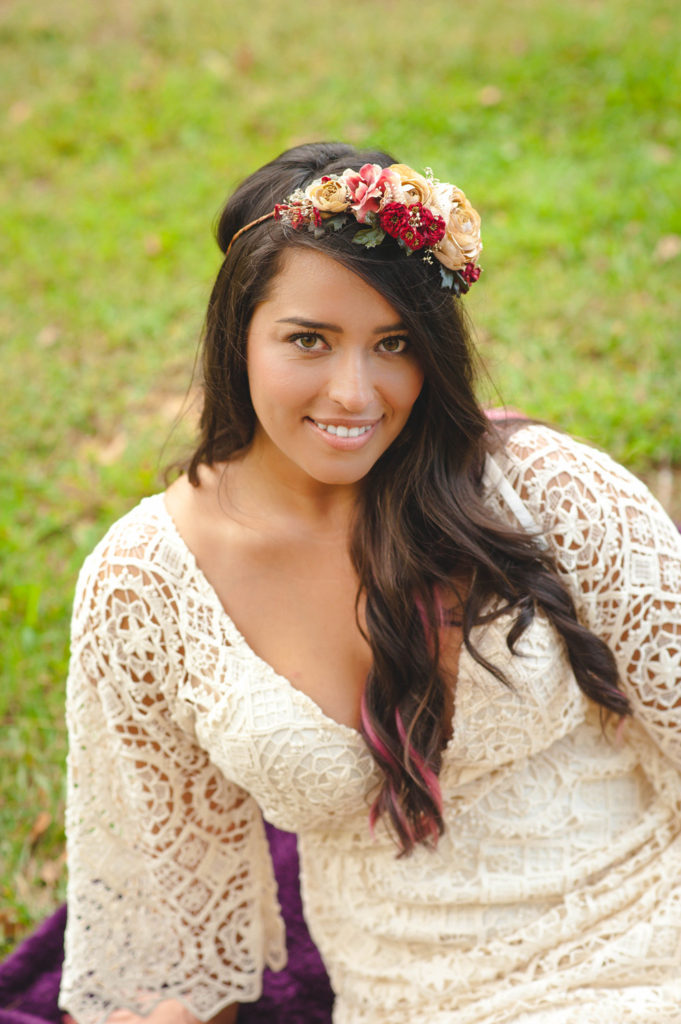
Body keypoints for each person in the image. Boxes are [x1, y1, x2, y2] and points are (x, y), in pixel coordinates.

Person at [59, 142, 681, 1024]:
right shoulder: (146, 584)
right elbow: (174, 943)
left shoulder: (543, 488)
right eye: (307, 340)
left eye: (393, 344)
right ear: (236, 334)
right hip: (412, 1001)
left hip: (653, 937)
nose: (354, 393)